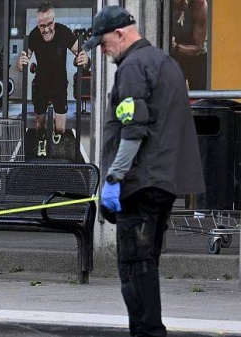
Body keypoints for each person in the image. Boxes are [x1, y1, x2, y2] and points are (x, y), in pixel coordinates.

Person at [84, 6, 204, 337]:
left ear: (120, 34)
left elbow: (133, 130)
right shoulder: (167, 64)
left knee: (134, 268)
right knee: (146, 265)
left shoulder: (133, 67)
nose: (104, 52)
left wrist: (112, 180)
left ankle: (148, 333)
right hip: (163, 185)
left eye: (105, 43)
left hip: (139, 186)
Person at [17, 0, 89, 157]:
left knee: (60, 128)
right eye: (42, 26)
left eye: (49, 24)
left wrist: (85, 58)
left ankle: (57, 140)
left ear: (54, 20)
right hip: (41, 83)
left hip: (59, 83)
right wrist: (21, 62)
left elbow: (81, 53)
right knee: (39, 123)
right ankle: (41, 139)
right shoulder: (34, 35)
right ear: (38, 24)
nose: (46, 29)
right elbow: (23, 61)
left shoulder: (64, 32)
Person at [171, 0, 208, 90]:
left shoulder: (200, 4)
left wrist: (175, 46)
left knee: (200, 97)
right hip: (173, 57)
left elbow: (197, 49)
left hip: (196, 56)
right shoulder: (166, 4)